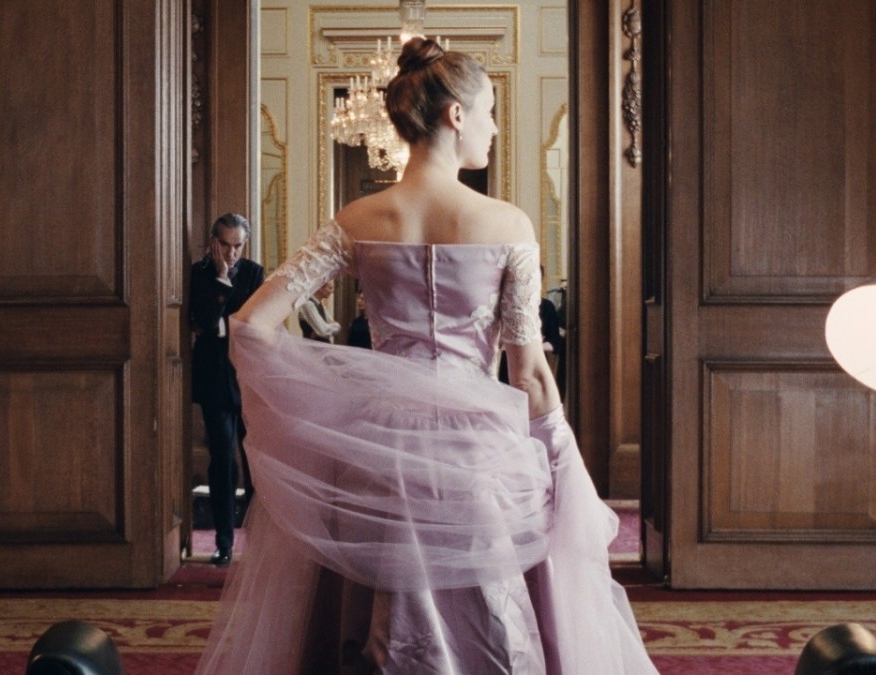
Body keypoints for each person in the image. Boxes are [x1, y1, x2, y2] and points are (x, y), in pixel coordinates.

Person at [197, 39, 657, 673]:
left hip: (378, 451)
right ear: (456, 114)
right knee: (493, 620)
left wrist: (334, 398)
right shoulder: (508, 225)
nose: (494, 127)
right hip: (478, 455)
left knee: (375, 618)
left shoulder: (357, 219)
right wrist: (558, 453)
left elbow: (249, 325)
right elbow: (528, 373)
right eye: (490, 111)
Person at [188, 213, 263, 567]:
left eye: (238, 246)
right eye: (226, 245)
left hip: (248, 378)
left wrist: (220, 323)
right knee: (223, 461)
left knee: (255, 462)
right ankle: (224, 542)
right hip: (214, 379)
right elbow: (201, 321)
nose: (232, 254)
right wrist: (220, 280)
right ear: (213, 242)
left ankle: (259, 544)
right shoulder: (198, 273)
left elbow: (252, 325)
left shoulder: (254, 273)